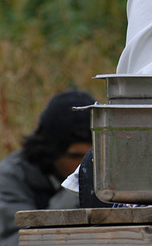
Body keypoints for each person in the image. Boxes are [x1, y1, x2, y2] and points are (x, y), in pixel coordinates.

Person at [0, 89, 95, 246]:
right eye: (76, 156)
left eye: (92, 156)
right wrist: (78, 188)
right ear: (51, 152)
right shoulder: (11, 178)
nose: (86, 165)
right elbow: (18, 241)